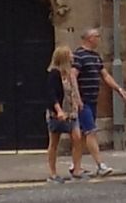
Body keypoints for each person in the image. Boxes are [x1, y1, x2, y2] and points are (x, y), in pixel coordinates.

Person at [70, 28, 126, 177]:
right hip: (84, 102)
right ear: (89, 38)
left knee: (83, 135)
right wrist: (77, 98)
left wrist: (119, 89)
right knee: (91, 132)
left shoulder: (95, 56)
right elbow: (72, 76)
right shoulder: (78, 55)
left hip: (92, 100)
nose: (99, 39)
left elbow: (105, 76)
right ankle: (100, 165)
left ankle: (75, 166)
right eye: (97, 36)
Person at [43, 44, 80, 184]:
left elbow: (72, 91)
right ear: (64, 57)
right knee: (54, 143)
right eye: (70, 54)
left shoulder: (69, 72)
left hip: (71, 113)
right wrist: (58, 110)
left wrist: (78, 102)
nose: (72, 56)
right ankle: (52, 174)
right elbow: (51, 95)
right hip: (57, 114)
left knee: (77, 138)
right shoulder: (54, 73)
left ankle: (76, 170)